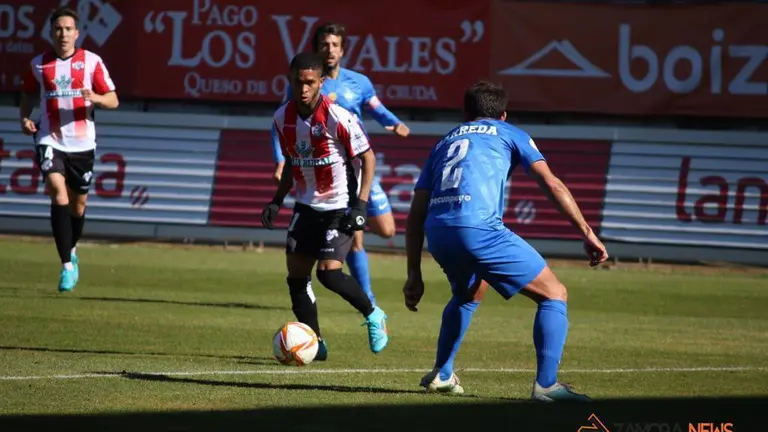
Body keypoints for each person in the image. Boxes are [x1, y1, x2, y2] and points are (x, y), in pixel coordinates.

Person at [402, 81, 608, 401]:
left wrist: (413, 273)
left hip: (438, 230)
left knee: (470, 291)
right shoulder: (511, 133)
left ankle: (442, 374)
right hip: (478, 228)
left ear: (465, 114)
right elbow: (551, 183)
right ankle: (547, 386)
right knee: (554, 294)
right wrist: (587, 231)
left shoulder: (443, 142)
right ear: (504, 114)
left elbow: (415, 214)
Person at [270, 22, 410, 307]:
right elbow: (282, 123)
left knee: (386, 230)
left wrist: (394, 124)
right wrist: (281, 159)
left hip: (360, 165)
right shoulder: (305, 83)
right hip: (333, 174)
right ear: (316, 48)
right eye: (324, 44)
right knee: (355, 235)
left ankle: (344, 233)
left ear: (343, 49)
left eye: (334, 45)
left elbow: (377, 110)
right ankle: (366, 293)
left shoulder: (359, 82)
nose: (329, 50)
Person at [261, 52, 389, 361]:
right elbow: (292, 161)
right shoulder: (282, 118)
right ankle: (314, 341)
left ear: (320, 82)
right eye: (297, 82)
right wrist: (277, 201)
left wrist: (360, 205)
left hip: (340, 206)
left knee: (329, 273)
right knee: (296, 276)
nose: (303, 89)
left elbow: (368, 157)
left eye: (309, 83)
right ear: (290, 81)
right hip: (305, 206)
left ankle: (374, 314)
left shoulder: (338, 117)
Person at [19, 6, 119, 292]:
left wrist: (96, 98)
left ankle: (72, 252)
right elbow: (27, 95)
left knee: (78, 205)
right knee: (56, 189)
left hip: (83, 144)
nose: (63, 34)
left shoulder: (91, 62)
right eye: (58, 29)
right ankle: (65, 266)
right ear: (51, 32)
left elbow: (113, 100)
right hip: (50, 138)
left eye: (68, 29)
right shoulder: (39, 65)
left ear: (77, 33)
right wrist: (25, 119)